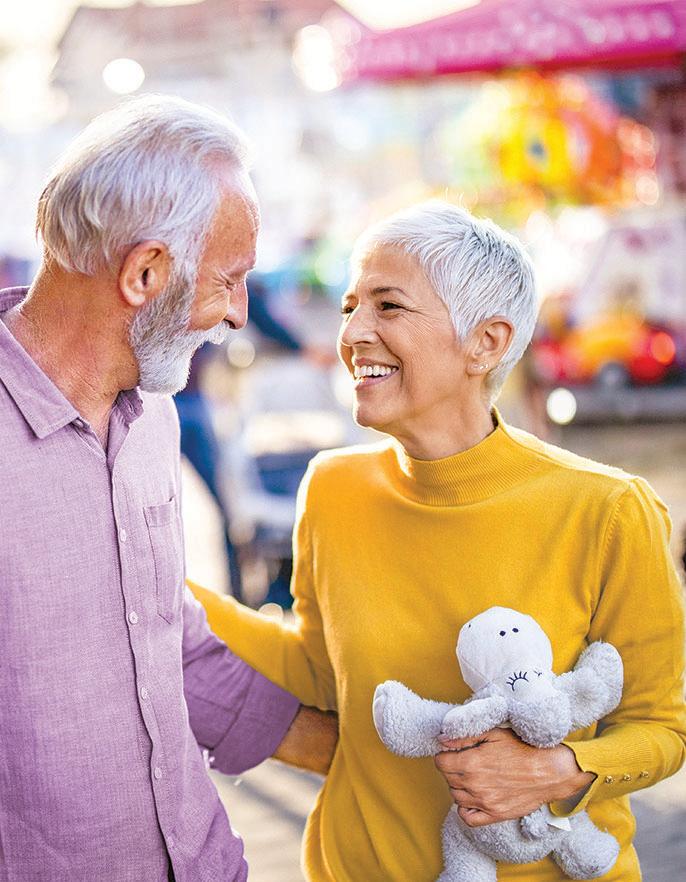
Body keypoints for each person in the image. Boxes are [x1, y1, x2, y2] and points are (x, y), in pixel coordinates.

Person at [192, 201, 686, 882]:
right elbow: (320, 671)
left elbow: (664, 728)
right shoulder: (332, 486)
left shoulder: (608, 510)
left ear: (486, 342)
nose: (352, 333)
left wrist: (558, 770)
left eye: (388, 306)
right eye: (349, 307)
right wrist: (158, 586)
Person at [0, 94, 333, 882]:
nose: (239, 315)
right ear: (145, 272)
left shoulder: (153, 415)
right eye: (230, 281)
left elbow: (163, 639)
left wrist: (369, 757)